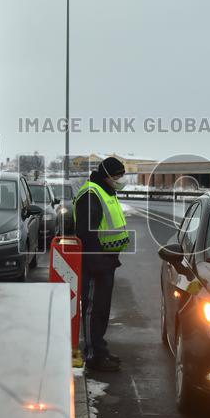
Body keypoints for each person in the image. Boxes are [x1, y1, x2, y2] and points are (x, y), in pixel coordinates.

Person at [73, 157, 131, 372]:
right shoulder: (91, 194)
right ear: (106, 174)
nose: (119, 180)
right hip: (95, 262)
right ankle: (92, 355)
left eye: (121, 176)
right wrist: (96, 261)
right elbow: (86, 233)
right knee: (93, 309)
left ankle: (100, 348)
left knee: (102, 309)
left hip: (107, 261)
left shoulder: (106, 191)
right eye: (116, 176)